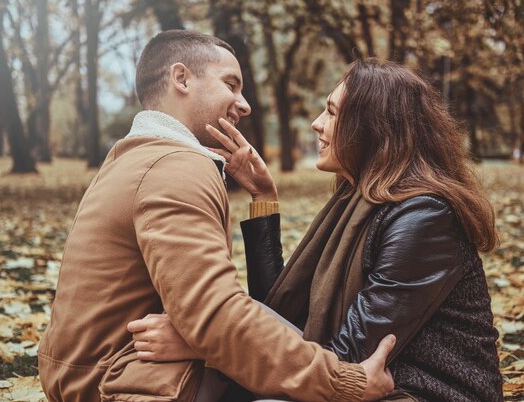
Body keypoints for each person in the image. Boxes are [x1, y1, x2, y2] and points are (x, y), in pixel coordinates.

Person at [37, 30, 396, 402]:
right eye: (230, 84)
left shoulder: (133, 157)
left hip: (94, 376)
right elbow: (218, 315)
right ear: (181, 79)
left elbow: (217, 315)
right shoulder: (176, 166)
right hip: (126, 385)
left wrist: (263, 198)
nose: (244, 105)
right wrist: (343, 383)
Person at [131, 59, 504, 402]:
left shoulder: (424, 218)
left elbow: (340, 360)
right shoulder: (353, 202)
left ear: (371, 127)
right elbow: (281, 309)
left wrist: (206, 343)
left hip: (421, 391)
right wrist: (263, 196)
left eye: (331, 112)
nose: (316, 123)